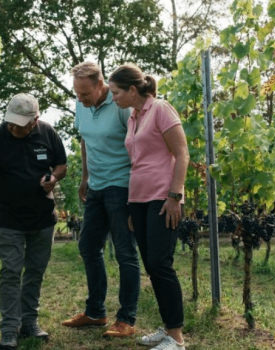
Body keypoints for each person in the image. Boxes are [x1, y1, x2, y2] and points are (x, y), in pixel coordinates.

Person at [0, 93, 67, 350]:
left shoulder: (49, 134)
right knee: (10, 272)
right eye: (10, 122)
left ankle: (30, 322)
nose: (13, 128)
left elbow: (61, 165)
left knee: (35, 272)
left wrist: (53, 180)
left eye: (19, 124)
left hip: (43, 218)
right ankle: (9, 329)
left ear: (35, 120)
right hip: (10, 218)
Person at [108, 63, 189, 350]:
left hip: (162, 198)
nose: (113, 97)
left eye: (116, 92)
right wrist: (131, 207)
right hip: (139, 200)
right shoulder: (133, 117)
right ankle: (168, 328)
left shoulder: (161, 109)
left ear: (132, 90)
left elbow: (181, 153)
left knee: (160, 264)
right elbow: (138, 162)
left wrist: (174, 196)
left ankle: (177, 338)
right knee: (151, 267)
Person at [61, 62, 141, 338]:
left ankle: (126, 319)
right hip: (95, 186)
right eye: (77, 93)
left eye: (84, 93)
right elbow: (84, 140)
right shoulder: (80, 104)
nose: (80, 98)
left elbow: (137, 146)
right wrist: (85, 177)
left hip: (121, 187)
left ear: (100, 85)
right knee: (88, 246)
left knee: (124, 252)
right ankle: (95, 312)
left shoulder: (121, 106)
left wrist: (137, 191)